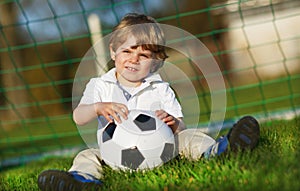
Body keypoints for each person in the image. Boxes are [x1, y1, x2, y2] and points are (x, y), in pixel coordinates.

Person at [37, 13, 260, 191]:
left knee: (188, 137)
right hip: (111, 154)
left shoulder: (160, 88)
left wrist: (172, 123)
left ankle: (220, 150)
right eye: (127, 51)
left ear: (155, 64)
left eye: (143, 55)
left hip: (161, 152)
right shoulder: (99, 86)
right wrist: (97, 107)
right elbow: (78, 117)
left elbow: (180, 126)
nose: (134, 58)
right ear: (113, 52)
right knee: (86, 155)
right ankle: (82, 181)